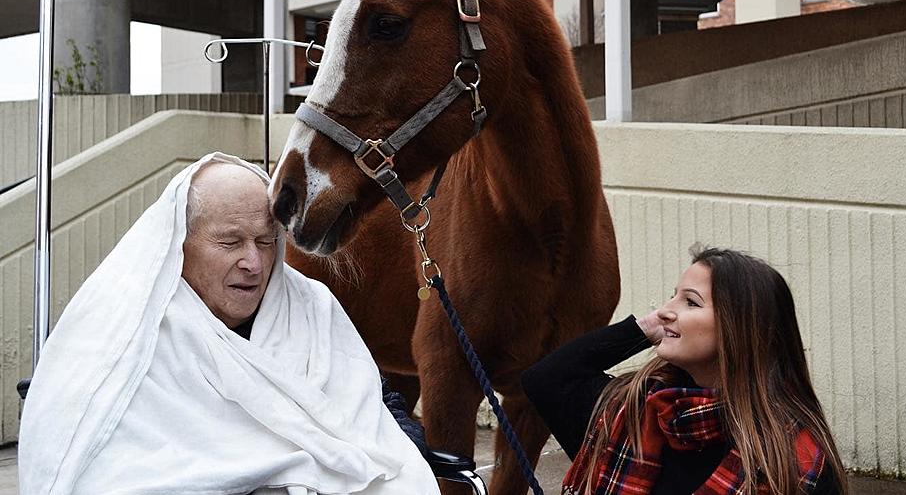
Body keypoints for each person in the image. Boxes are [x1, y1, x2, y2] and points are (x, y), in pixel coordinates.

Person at [18, 153, 439, 495]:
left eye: (265, 242)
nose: (253, 264)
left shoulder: (312, 308)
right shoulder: (126, 332)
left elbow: (372, 404)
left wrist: (398, 447)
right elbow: (109, 469)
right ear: (178, 244)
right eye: (229, 242)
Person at [522, 246, 847, 495]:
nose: (664, 311)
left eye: (690, 302)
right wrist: (645, 327)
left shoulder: (793, 459)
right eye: (670, 297)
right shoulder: (633, 415)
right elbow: (548, 379)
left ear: (741, 329)